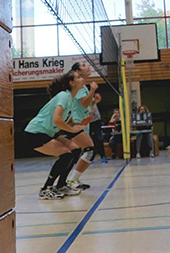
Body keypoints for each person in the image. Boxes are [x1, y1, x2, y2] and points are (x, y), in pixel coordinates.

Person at [23, 71, 92, 199]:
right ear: (71, 83)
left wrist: (79, 123)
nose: (82, 79)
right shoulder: (63, 96)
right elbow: (57, 120)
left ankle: (61, 185)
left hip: (48, 133)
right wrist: (71, 131)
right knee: (65, 154)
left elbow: (67, 121)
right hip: (35, 133)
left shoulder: (70, 99)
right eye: (78, 77)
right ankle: (46, 188)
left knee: (75, 150)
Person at [66, 62, 98, 190]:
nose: (88, 67)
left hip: (82, 122)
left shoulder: (82, 86)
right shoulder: (80, 87)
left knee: (80, 152)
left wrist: (94, 101)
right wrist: (93, 90)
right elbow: (84, 103)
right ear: (78, 71)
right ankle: (70, 180)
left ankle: (72, 179)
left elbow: (85, 105)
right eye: (84, 65)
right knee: (89, 151)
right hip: (76, 123)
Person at [89, 94, 107, 163]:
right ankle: (90, 157)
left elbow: (96, 99)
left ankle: (103, 156)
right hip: (87, 121)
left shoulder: (92, 100)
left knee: (99, 138)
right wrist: (88, 111)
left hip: (96, 120)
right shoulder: (80, 101)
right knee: (89, 140)